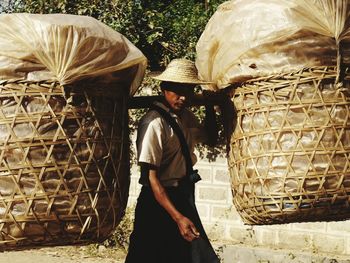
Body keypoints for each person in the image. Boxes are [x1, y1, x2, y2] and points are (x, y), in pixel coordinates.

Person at [125, 58, 220, 263]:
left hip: (181, 196)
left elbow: (211, 138)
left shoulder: (186, 117)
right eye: (177, 91)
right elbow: (152, 178)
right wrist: (177, 217)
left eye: (188, 91)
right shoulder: (153, 124)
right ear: (164, 88)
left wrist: (210, 106)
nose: (183, 97)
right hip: (157, 202)